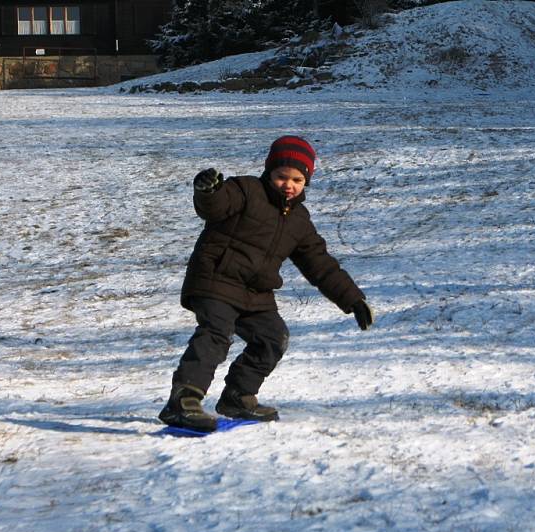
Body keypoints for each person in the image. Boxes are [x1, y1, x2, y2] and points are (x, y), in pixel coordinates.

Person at [159, 135, 374, 431]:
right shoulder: (245, 190)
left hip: (255, 292)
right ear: (269, 172)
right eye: (281, 176)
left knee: (273, 337)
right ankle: (183, 401)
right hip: (216, 279)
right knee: (216, 333)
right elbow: (215, 206)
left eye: (297, 179)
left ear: (306, 181)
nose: (289, 184)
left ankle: (238, 395)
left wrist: (353, 300)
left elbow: (320, 263)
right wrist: (207, 191)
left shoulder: (299, 220)